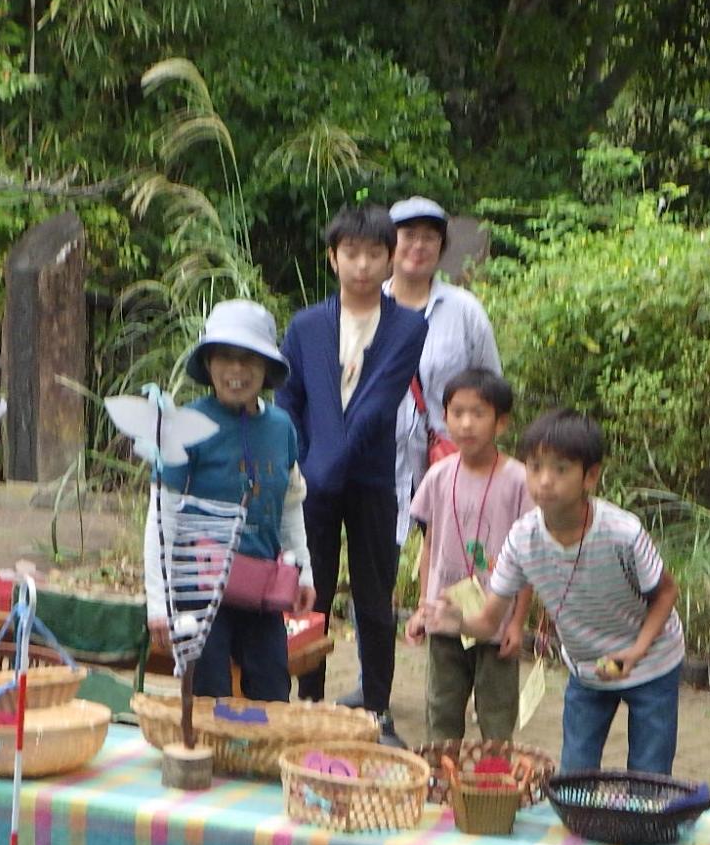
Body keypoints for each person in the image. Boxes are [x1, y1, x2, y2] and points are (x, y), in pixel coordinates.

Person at [442, 408, 683, 773]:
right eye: (534, 467)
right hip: (587, 670)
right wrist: (459, 620)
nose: (544, 481)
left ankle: (644, 828)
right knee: (574, 775)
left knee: (649, 776)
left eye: (560, 469)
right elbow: (490, 620)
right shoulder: (523, 538)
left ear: (590, 476)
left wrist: (635, 651)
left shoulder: (623, 533)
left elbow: (666, 593)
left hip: (653, 661)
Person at [275, 204, 429, 739]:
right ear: (332, 258)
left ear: (389, 260)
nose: (362, 265)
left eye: (373, 254)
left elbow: (377, 406)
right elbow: (287, 399)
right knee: (310, 591)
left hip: (369, 479)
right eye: (351, 253)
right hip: (310, 481)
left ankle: (377, 707)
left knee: (374, 593)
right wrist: (301, 463)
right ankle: (311, 700)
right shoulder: (307, 325)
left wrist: (324, 466)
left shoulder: (408, 325)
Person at [142, 300, 316, 700]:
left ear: (267, 368)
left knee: (272, 690)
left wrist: (303, 572)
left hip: (263, 590)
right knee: (207, 695)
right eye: (225, 358)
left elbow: (290, 505)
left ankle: (258, 764)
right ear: (208, 364)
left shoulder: (282, 427)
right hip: (197, 590)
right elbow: (161, 518)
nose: (236, 372)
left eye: (249, 360)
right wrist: (158, 602)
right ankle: (208, 765)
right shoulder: (184, 426)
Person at [401, 370, 532, 741]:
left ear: (501, 422)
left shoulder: (519, 481)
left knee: (496, 715)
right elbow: (430, 547)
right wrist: (425, 609)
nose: (466, 423)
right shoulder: (438, 476)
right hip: (446, 617)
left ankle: (492, 791)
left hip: (496, 620)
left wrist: (517, 622)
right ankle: (445, 780)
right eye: (457, 412)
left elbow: (527, 560)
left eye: (478, 413)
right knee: (442, 710)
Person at [386, 197, 502, 549]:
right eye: (409, 235)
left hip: (451, 457)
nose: (418, 246)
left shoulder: (465, 310)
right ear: (389, 242)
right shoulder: (367, 306)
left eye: (430, 237)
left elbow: (491, 386)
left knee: (456, 561)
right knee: (375, 569)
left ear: (441, 247)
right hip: (382, 461)